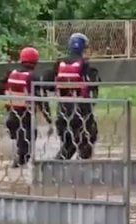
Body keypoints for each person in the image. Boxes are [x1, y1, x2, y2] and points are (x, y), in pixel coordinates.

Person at [45, 32, 101, 160]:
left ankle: (57, 172)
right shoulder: (86, 65)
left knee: (68, 146)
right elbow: (94, 85)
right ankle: (80, 173)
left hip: (63, 113)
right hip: (82, 113)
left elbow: (48, 85)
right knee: (86, 143)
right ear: (83, 48)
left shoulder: (59, 64)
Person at [0, 47, 53, 168]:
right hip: (26, 118)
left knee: (20, 142)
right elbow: (41, 100)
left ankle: (18, 163)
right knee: (27, 146)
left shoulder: (11, 73)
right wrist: (48, 118)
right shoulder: (33, 77)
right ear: (36, 62)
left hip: (12, 117)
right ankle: (20, 165)